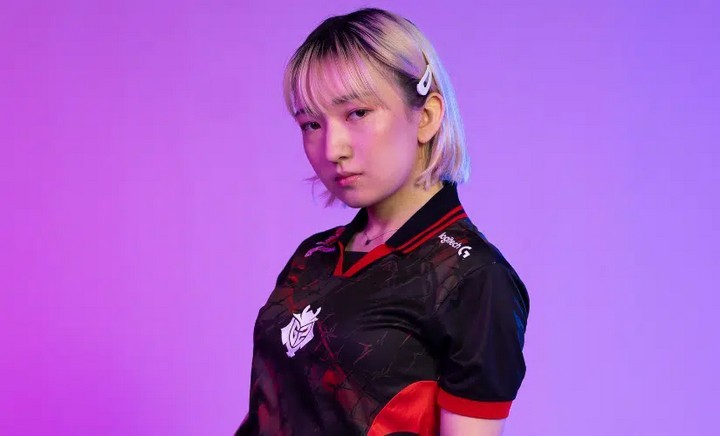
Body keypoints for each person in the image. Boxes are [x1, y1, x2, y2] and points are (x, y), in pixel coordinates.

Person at [236, 8, 529, 436]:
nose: (332, 148)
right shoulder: (312, 257)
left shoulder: (473, 277)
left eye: (357, 113)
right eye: (311, 123)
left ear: (426, 116)